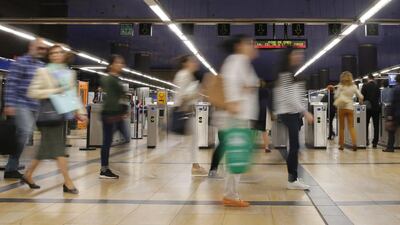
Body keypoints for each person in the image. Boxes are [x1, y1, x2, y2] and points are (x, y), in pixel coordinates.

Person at [23, 44, 87, 194]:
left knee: (44, 149)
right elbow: (33, 92)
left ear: (64, 55)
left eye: (59, 52)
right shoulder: (43, 72)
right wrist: (55, 91)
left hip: (61, 114)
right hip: (48, 114)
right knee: (59, 150)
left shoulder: (69, 74)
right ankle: (68, 182)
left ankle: (28, 174)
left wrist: (80, 111)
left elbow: (72, 94)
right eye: (53, 53)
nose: (56, 55)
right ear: (49, 56)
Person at [215, 34, 259, 207]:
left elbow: (243, 84)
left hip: (240, 115)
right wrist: (233, 101)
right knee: (237, 155)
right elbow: (231, 82)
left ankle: (231, 193)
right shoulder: (237, 60)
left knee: (237, 155)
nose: (253, 46)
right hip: (236, 116)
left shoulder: (241, 61)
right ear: (240, 45)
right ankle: (230, 195)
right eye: (250, 43)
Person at [3, 38, 48, 179]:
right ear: (31, 47)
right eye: (39, 47)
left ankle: (11, 167)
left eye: (43, 49)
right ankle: (11, 166)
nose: (41, 51)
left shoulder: (41, 65)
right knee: (25, 131)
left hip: (34, 105)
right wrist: (9, 104)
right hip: (20, 103)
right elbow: (12, 83)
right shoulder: (21, 62)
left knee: (22, 135)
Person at [273, 49, 313, 190]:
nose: (299, 56)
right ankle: (292, 179)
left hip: (291, 113)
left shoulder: (289, 73)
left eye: (300, 54)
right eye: (295, 54)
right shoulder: (286, 74)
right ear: (289, 56)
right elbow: (290, 97)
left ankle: (293, 177)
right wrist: (305, 112)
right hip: (289, 113)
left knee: (295, 146)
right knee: (294, 146)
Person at [173, 55, 208, 176]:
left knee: (194, 140)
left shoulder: (189, 76)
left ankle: (195, 165)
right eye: (193, 61)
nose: (195, 63)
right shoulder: (184, 75)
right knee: (193, 140)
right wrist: (198, 93)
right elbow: (184, 96)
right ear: (185, 63)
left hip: (189, 111)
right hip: (186, 112)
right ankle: (195, 166)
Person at [100, 55, 130, 179]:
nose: (121, 65)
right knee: (107, 142)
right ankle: (104, 169)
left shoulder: (116, 79)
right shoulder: (109, 79)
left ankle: (107, 165)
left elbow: (121, 96)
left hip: (116, 115)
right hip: (110, 114)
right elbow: (112, 98)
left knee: (124, 138)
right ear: (111, 65)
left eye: (122, 63)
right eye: (118, 63)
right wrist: (118, 111)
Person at [334, 71, 364, 151]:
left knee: (342, 128)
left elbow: (336, 96)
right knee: (351, 127)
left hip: (341, 108)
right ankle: (354, 143)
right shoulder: (354, 86)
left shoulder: (340, 86)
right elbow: (361, 96)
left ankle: (341, 145)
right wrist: (361, 101)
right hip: (350, 108)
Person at [361, 74, 381, 148]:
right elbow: (379, 97)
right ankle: (375, 142)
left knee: (366, 124)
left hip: (367, 108)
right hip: (376, 108)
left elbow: (362, 97)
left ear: (368, 79)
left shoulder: (365, 86)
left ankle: (366, 140)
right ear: (374, 78)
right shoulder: (377, 86)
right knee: (376, 126)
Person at [383, 74, 400, 152]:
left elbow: (391, 102)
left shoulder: (394, 89)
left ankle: (390, 147)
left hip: (396, 113)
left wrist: (389, 114)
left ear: (396, 80)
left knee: (391, 131)